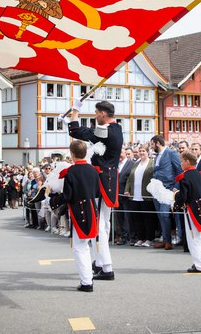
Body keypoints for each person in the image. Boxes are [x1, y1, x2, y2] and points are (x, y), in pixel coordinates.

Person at [68, 99, 123, 281]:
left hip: (101, 180)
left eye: (96, 113)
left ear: (102, 114)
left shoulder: (106, 131)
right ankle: (101, 262)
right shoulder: (117, 128)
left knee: (99, 225)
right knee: (104, 224)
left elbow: (77, 131)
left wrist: (75, 111)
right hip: (109, 178)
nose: (95, 115)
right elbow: (85, 132)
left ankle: (106, 267)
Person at [51, 140, 100, 292]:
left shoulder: (71, 172)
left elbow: (67, 196)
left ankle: (86, 282)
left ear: (72, 154)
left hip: (79, 211)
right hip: (92, 209)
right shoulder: (93, 170)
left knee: (80, 248)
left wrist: (53, 199)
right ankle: (87, 279)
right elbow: (97, 192)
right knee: (85, 246)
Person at [173, 150, 201, 272]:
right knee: (198, 237)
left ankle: (199, 264)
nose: (181, 164)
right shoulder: (198, 174)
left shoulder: (185, 176)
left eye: (182, 161)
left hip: (192, 208)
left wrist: (176, 202)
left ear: (188, 161)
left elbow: (184, 196)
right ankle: (200, 262)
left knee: (193, 237)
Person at [150, 135, 182, 250]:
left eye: (152, 144)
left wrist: (175, 187)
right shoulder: (157, 156)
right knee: (160, 215)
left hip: (168, 188)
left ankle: (169, 241)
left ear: (158, 143)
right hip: (156, 189)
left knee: (164, 214)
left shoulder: (171, 153)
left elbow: (179, 170)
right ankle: (165, 240)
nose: (151, 147)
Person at [124, 143, 156, 247]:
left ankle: (149, 239)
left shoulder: (152, 163)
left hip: (146, 195)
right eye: (140, 151)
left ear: (148, 152)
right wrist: (127, 190)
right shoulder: (136, 163)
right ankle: (140, 238)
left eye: (143, 151)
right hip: (135, 195)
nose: (141, 153)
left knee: (148, 219)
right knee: (137, 218)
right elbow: (129, 178)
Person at [115, 148, 135, 245]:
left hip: (126, 195)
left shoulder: (131, 164)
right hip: (117, 195)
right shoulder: (115, 165)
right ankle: (123, 236)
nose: (119, 155)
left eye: (121, 153)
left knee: (129, 217)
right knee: (119, 217)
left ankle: (132, 237)